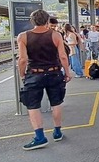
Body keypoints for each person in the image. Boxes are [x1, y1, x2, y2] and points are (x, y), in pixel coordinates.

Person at [17, 9, 73, 150]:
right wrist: (67, 72)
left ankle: (40, 137)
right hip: (54, 73)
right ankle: (57, 132)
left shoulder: (23, 37)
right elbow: (63, 57)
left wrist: (22, 74)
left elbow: (22, 59)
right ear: (47, 21)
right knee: (56, 103)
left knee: (33, 106)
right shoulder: (56, 35)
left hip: (34, 74)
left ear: (32, 21)